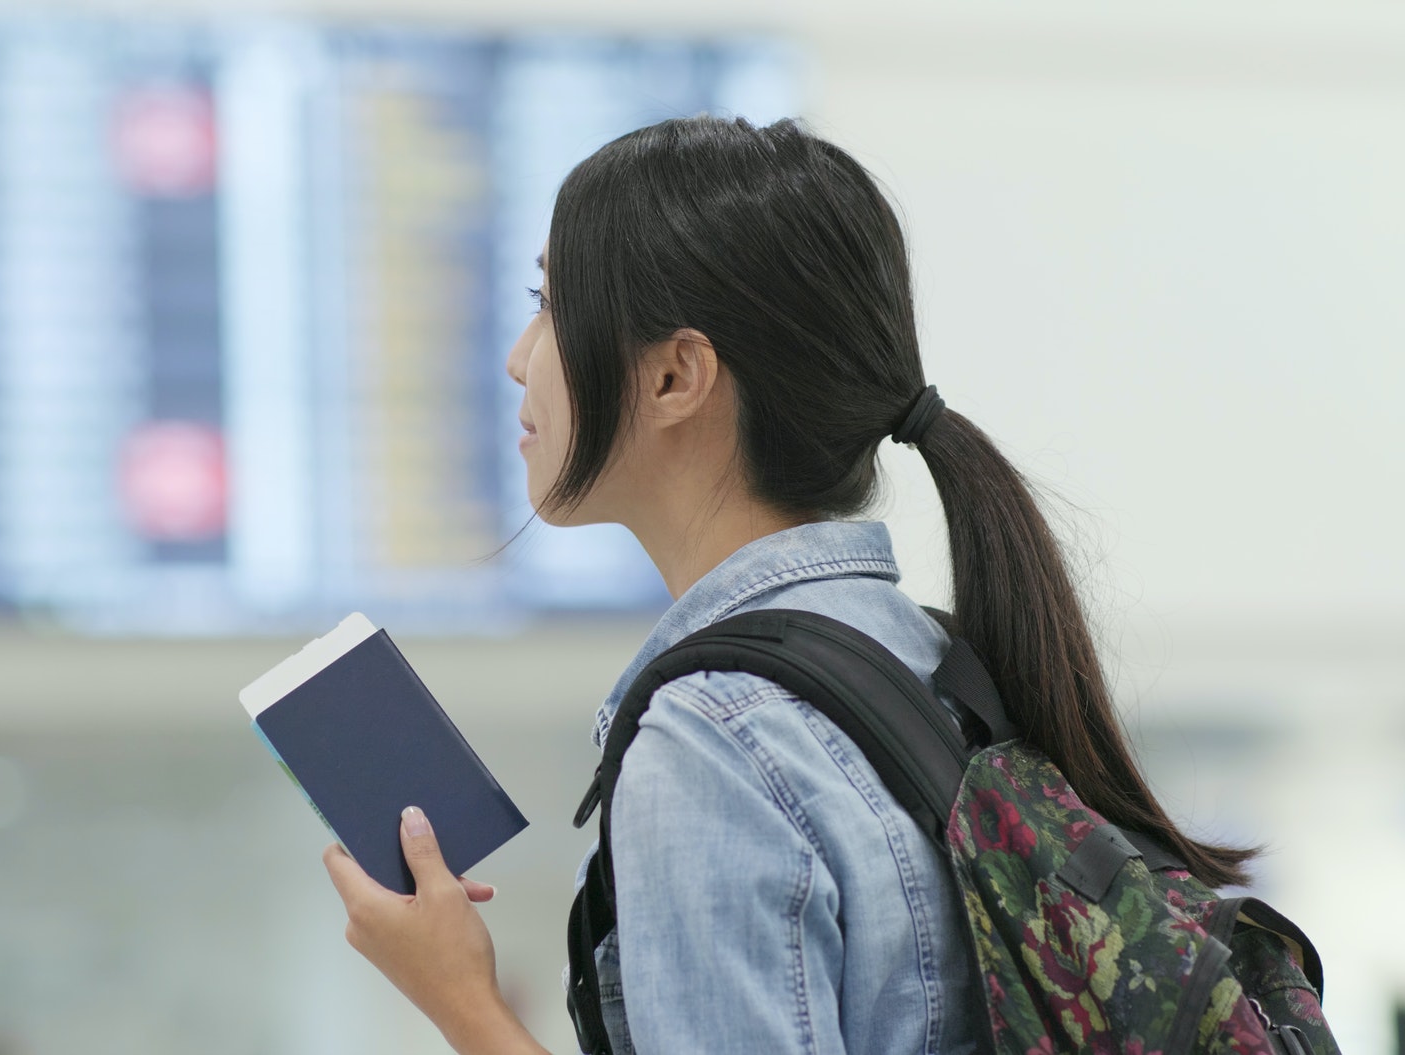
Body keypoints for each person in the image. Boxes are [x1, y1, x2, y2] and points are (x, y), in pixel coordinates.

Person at [320, 115, 1255, 1054]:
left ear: (676, 375)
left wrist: (461, 1000)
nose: (522, 355)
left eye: (551, 302)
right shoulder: (924, 661)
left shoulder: (715, 740)